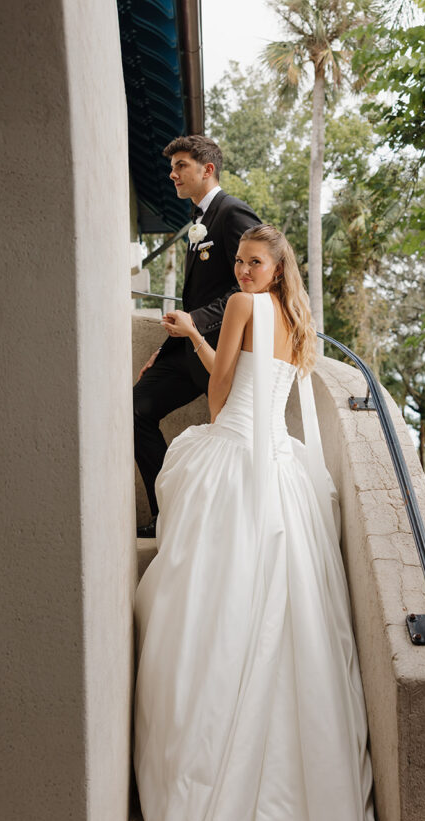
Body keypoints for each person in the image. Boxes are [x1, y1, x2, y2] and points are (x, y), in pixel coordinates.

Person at [134, 224, 396, 821]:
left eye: (254, 262)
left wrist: (190, 334)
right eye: (243, 261)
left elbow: (219, 396)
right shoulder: (298, 320)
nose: (245, 270)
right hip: (280, 462)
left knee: (194, 596)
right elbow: (277, 397)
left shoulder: (244, 306)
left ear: (271, 269)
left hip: (238, 452)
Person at [134, 134, 261, 538]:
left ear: (208, 170)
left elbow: (251, 286)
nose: (172, 174)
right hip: (183, 351)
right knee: (134, 411)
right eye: (172, 167)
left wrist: (196, 322)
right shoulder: (199, 220)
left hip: (221, 353)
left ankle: (222, 532)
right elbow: (200, 293)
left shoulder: (233, 212)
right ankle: (166, 515)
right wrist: (166, 346)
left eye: (181, 166)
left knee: (226, 447)